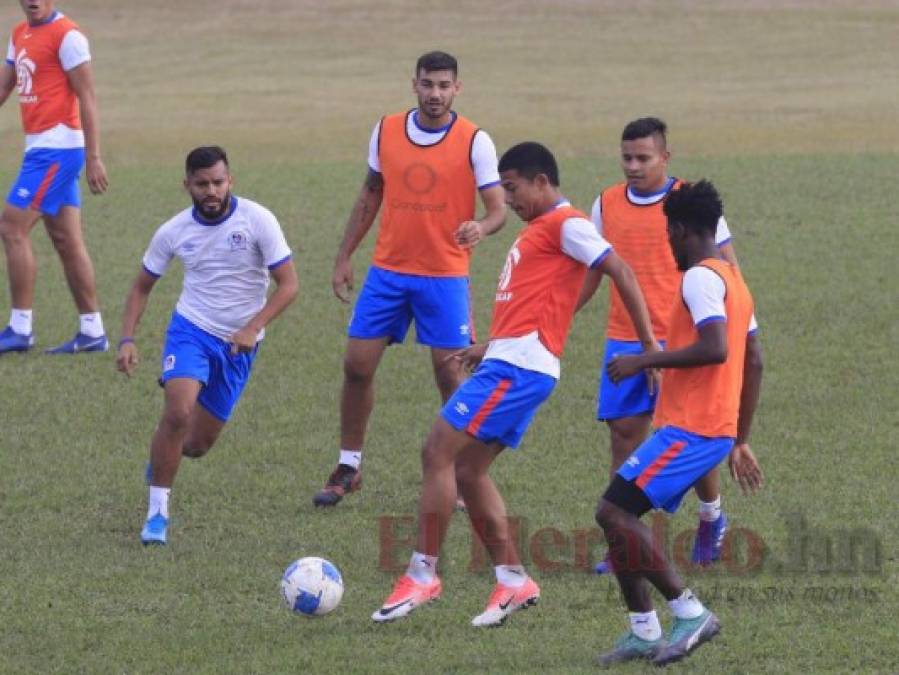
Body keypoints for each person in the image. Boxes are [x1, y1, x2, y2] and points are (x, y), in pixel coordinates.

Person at [372, 142, 657, 627]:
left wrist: (649, 348)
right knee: (468, 470)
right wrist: (498, 343)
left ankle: (422, 575)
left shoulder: (568, 224)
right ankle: (512, 580)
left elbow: (619, 270)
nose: (509, 199)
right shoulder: (542, 230)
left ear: (541, 182)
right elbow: (547, 299)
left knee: (436, 451)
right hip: (513, 359)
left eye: (512, 188)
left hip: (519, 369)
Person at [313, 50, 506, 507]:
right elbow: (371, 192)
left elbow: (498, 208)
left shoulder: (475, 140)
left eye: (443, 85)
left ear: (457, 88)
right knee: (356, 367)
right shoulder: (386, 130)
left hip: (444, 276)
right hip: (388, 274)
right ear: (413, 84)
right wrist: (344, 255)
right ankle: (349, 465)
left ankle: (463, 472)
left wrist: (481, 225)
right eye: (427, 84)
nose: (435, 94)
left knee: (451, 375)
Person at [594, 180, 763, 666]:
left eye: (670, 233)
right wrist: (740, 438)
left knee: (613, 514)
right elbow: (754, 360)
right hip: (711, 429)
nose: (668, 243)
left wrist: (647, 358)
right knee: (616, 517)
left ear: (682, 230)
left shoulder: (699, 278)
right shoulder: (736, 280)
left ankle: (689, 612)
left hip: (693, 429)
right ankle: (643, 631)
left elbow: (716, 348)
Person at [116, 146, 298, 545]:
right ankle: (157, 515)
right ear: (188, 186)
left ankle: (161, 460)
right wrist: (127, 338)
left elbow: (289, 284)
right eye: (202, 184)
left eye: (218, 182)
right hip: (191, 331)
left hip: (239, 346)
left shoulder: (258, 220)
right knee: (178, 411)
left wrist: (253, 327)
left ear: (230, 180)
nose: (211, 191)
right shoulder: (174, 231)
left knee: (195, 445)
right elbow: (141, 287)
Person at [582, 117, 738, 569]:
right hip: (624, 339)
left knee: (692, 435)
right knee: (624, 434)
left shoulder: (691, 204)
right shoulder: (607, 204)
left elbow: (727, 265)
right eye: (626, 157)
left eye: (643, 158)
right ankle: (625, 539)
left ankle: (712, 518)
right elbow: (595, 269)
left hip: (686, 340)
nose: (633, 166)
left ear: (665, 158)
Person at [0, 0, 110, 354]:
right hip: (40, 149)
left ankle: (20, 329)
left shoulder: (68, 36)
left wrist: (94, 157)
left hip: (58, 149)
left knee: (11, 227)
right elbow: (4, 88)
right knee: (66, 240)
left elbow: (88, 98)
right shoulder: (19, 34)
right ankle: (92, 331)